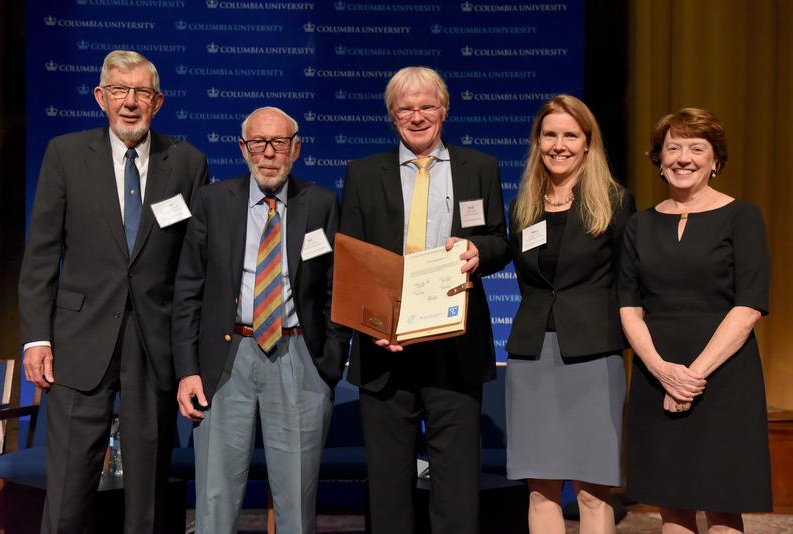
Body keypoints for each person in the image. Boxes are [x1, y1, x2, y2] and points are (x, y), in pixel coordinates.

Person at [18, 50, 209, 533]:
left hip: (155, 342)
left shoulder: (187, 162)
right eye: (119, 91)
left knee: (147, 494)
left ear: (158, 102)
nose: (130, 102)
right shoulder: (65, 154)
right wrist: (37, 337)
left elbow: (196, 266)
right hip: (78, 341)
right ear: (101, 97)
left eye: (141, 92)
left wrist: (193, 358)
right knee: (66, 489)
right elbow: (41, 254)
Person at [339, 66, 509, 534]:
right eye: (406, 108)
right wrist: (375, 326)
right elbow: (353, 259)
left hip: (455, 346)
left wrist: (478, 251)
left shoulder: (482, 167)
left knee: (456, 485)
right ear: (392, 116)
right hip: (385, 349)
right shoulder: (361, 173)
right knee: (389, 486)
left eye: (427, 106)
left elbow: (499, 240)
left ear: (445, 110)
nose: (417, 116)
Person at [173, 106, 351, 534]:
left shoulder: (322, 202)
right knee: (215, 499)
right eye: (258, 143)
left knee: (296, 501)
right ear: (243, 148)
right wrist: (188, 370)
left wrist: (329, 362)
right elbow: (188, 289)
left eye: (279, 143)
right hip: (226, 358)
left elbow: (334, 290)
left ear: (296, 149)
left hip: (298, 356)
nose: (268, 153)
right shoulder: (213, 202)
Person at [619, 108, 772, 533]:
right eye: (673, 148)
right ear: (659, 158)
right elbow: (628, 307)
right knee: (673, 504)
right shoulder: (639, 224)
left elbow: (749, 307)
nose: (683, 158)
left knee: (723, 505)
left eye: (696, 148)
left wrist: (692, 377)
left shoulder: (742, 217)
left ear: (715, 161)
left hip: (724, 375)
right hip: (657, 371)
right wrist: (661, 371)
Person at [505, 94, 634, 534]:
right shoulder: (524, 205)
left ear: (587, 143)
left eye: (570, 135)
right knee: (540, 490)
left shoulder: (615, 202)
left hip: (593, 354)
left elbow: (627, 282)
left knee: (592, 492)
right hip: (531, 355)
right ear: (538, 142)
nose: (558, 145)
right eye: (549, 134)